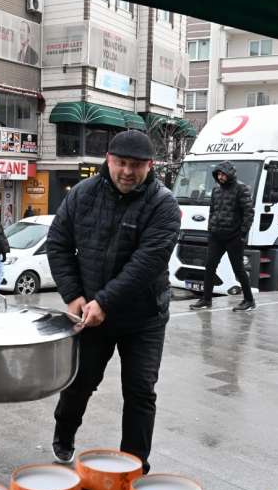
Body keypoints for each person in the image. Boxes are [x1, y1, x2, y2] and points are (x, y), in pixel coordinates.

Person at [47, 130, 181, 471]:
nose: (127, 171)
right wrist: (73, 295)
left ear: (150, 166)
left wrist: (104, 301)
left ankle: (134, 463)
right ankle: (64, 434)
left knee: (140, 390)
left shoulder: (163, 204)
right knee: (80, 383)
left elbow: (147, 263)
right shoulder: (82, 194)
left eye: (136, 165)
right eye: (121, 163)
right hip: (90, 313)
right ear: (108, 160)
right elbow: (58, 244)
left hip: (144, 317)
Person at [191, 161, 256, 312]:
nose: (220, 177)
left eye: (223, 174)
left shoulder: (241, 189)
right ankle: (206, 300)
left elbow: (249, 213)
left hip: (234, 237)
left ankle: (249, 300)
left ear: (229, 174)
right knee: (209, 266)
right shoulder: (216, 190)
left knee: (238, 270)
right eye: (218, 174)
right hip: (216, 236)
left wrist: (242, 234)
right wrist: (210, 229)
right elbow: (212, 210)